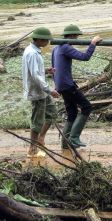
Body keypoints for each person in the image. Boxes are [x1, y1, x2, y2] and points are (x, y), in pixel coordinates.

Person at [51, 25, 102, 148]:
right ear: (73, 36)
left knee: (72, 113)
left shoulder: (56, 48)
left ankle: (65, 143)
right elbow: (85, 57)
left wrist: (57, 85)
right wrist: (93, 43)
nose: (77, 38)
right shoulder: (66, 48)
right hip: (68, 86)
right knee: (86, 107)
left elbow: (53, 69)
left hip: (62, 86)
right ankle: (74, 138)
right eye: (77, 36)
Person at [22, 27, 60, 157]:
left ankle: (40, 138)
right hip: (37, 92)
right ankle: (32, 149)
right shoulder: (32, 53)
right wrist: (50, 90)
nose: (48, 43)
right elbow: (35, 76)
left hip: (41, 91)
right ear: (39, 39)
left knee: (52, 113)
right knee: (37, 120)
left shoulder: (33, 51)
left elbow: (36, 72)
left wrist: (46, 71)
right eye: (46, 40)